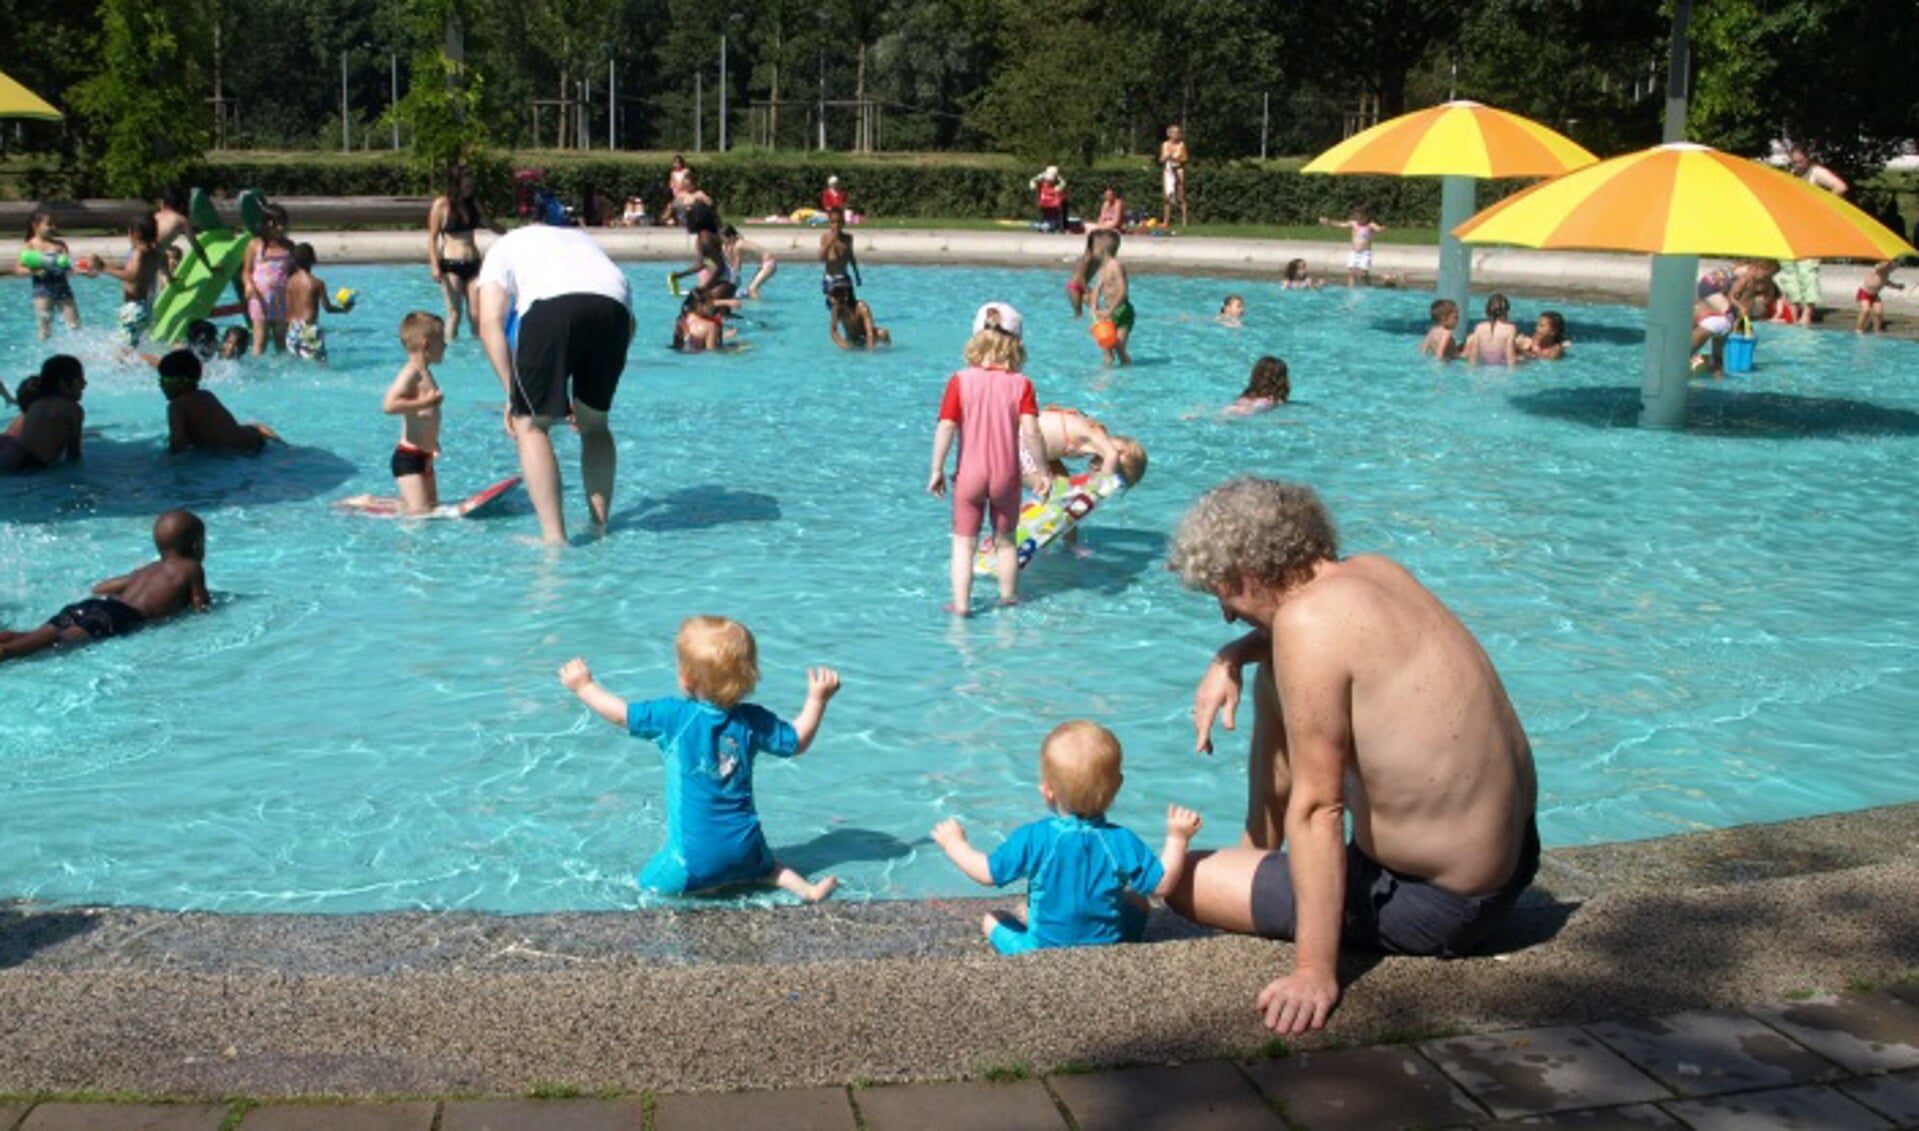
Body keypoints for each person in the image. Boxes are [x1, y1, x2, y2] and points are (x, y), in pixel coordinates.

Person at [1164, 477, 1539, 1034]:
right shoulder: (1374, 571)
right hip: (1509, 867)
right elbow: (1321, 648)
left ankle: (1263, 874)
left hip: (1437, 905)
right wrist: (1234, 655)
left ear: (1246, 574)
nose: (1225, 613)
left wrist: (1315, 971)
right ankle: (1259, 850)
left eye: (1223, 592)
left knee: (1183, 881)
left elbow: (1320, 810)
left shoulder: (1306, 623)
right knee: (1275, 669)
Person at [558, 616, 844, 902]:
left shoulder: (673, 717)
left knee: (643, 885)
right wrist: (817, 700)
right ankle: (807, 890)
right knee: (770, 869)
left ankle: (706, 887)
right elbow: (797, 742)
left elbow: (620, 714)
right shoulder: (753, 720)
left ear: (686, 680)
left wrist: (584, 687)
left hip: (692, 865)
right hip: (748, 852)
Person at [931, 720, 1203, 954]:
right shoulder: (1121, 840)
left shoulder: (1034, 837)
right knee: (1138, 900)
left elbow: (987, 874)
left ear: (1047, 791)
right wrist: (1177, 839)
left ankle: (1032, 920)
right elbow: (1161, 887)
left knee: (993, 919)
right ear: (1118, 786)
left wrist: (955, 844)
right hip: (1111, 945)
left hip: (1040, 951)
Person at [474, 198, 634, 545]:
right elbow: (628, 322)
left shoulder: (503, 247)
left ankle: (554, 540)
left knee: (530, 425)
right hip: (614, 312)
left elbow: (488, 324)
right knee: (595, 424)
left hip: (551, 310)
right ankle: (599, 526)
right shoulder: (582, 241)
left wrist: (512, 395)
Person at [928, 303, 1052, 615]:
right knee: (1007, 542)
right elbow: (1032, 433)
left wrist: (937, 468)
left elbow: (946, 426)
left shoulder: (960, 380)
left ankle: (961, 606)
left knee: (963, 545)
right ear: (1017, 344)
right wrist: (1042, 471)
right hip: (1006, 476)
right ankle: (1009, 598)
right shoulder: (1022, 385)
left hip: (969, 475)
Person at [0, 510, 210, 665]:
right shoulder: (191, 568)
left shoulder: (145, 571)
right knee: (60, 640)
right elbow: (200, 605)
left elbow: (101, 589)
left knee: (41, 633)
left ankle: (8, 638)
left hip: (95, 605)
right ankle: (6, 652)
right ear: (195, 546)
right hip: (121, 616)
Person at [379, 312, 448, 514]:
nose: (445, 345)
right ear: (426, 344)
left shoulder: (426, 372)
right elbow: (389, 405)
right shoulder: (411, 373)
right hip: (408, 458)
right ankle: (366, 504)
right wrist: (425, 402)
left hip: (425, 456)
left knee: (431, 509)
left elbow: (426, 418)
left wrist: (433, 441)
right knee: (419, 516)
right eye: (441, 341)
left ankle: (393, 503)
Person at [1777, 146, 1849, 326]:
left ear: (1808, 159)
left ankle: (1807, 312)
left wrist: (1820, 205)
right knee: (1788, 268)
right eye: (1794, 162)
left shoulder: (1815, 172)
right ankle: (1793, 310)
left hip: (1810, 227)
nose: (1797, 165)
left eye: (1800, 161)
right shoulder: (1793, 174)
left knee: (1807, 270)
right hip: (1792, 226)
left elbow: (1840, 187)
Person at [428, 165, 501, 340]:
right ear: (456, 185)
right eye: (466, 186)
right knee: (455, 314)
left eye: (471, 186)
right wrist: (434, 266)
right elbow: (432, 238)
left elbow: (490, 224)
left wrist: (514, 234)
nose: (470, 189)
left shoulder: (473, 203)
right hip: (451, 265)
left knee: (476, 314)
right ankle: (450, 352)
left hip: (474, 263)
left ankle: (477, 353)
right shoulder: (441, 205)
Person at [159, 350, 282, 455]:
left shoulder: (176, 406)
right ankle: (285, 447)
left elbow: (178, 445)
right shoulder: (207, 395)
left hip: (229, 453)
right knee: (258, 427)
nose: (161, 385)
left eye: (164, 380)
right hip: (250, 442)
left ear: (178, 383)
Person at [15, 207, 97, 340]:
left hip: (63, 288)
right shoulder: (29, 246)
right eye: (49, 224)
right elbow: (18, 270)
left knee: (75, 325)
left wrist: (84, 272)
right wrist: (35, 271)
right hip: (42, 291)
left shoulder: (60, 245)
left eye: (54, 223)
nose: (53, 227)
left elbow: (69, 267)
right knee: (45, 328)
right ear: (36, 225)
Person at [0, 356, 84, 473]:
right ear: (63, 384)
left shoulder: (35, 404)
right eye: (80, 380)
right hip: (31, 464)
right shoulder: (73, 409)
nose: (84, 384)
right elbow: (73, 453)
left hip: (10, 450)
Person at [94, 212, 164, 349]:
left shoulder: (139, 251)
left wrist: (104, 268)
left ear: (136, 233)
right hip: (146, 307)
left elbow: (132, 276)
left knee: (123, 352)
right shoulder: (154, 252)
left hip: (133, 309)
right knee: (133, 349)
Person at [284, 244, 355, 362]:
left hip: (292, 328)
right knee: (320, 364)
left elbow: (287, 309)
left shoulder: (289, 282)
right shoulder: (317, 283)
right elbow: (328, 308)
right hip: (309, 328)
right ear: (313, 260)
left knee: (296, 363)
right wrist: (344, 309)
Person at [242, 203, 296, 355]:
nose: (280, 228)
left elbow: (293, 274)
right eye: (277, 224)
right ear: (267, 224)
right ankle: (257, 374)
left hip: (281, 299)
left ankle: (282, 372)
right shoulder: (255, 245)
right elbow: (246, 271)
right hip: (259, 298)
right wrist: (248, 285)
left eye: (283, 224)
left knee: (281, 339)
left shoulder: (289, 247)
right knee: (260, 339)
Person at [1089, 230, 1133, 366]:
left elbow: (1122, 290)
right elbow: (1097, 289)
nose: (1092, 250)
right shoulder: (1102, 268)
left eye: (1093, 247)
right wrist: (1093, 307)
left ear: (1101, 248)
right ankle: (1107, 375)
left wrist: (1111, 310)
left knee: (1119, 346)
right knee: (1106, 347)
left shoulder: (1116, 266)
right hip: (1108, 311)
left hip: (1122, 311)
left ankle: (1126, 369)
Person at [1690, 267, 1739, 376]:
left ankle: (1712, 367)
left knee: (1684, 352)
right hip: (1724, 322)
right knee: (1717, 358)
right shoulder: (1721, 308)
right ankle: (1716, 370)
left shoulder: (1702, 309)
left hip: (1715, 322)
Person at [1320, 205, 1385, 286]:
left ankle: (1367, 286)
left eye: (1361, 216)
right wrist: (1329, 221)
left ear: (1367, 216)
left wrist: (1381, 229)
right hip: (1354, 252)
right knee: (1351, 273)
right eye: (1357, 216)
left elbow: (1378, 228)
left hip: (1365, 253)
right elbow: (1341, 224)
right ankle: (1351, 289)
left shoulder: (1370, 225)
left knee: (1363, 273)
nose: (1359, 219)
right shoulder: (1353, 223)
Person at [827, 277, 890, 350]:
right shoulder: (836, 309)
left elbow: (870, 332)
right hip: (852, 339)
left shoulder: (861, 307)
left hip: (866, 336)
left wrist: (870, 350)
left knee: (883, 333)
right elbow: (834, 332)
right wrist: (845, 346)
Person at [819, 208, 863, 305]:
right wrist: (830, 244)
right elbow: (821, 258)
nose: (836, 225)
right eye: (833, 222)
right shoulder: (825, 237)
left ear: (843, 223)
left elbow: (851, 257)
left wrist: (857, 275)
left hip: (843, 277)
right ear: (829, 223)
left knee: (850, 304)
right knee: (836, 302)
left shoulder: (848, 238)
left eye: (839, 222)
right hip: (830, 278)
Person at [720, 225, 778, 299]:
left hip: (769, 263)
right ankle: (757, 303)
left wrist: (731, 283)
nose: (723, 242)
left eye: (724, 239)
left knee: (752, 289)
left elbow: (737, 267)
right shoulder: (738, 242)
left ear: (731, 237)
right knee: (751, 289)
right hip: (766, 263)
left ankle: (760, 308)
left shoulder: (738, 246)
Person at [1463, 293, 1519, 368]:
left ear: (1487, 311)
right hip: (1500, 370)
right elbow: (1510, 356)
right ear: (1506, 312)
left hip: (1483, 371)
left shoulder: (1479, 328)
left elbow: (1474, 354)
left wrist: (1471, 369)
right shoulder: (1510, 329)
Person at [1855, 260, 1902, 334]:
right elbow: (1880, 267)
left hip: (1875, 295)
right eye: (1892, 267)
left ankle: (1877, 329)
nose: (1893, 269)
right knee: (1866, 310)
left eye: (1894, 268)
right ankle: (1859, 329)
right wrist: (1888, 262)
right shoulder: (1877, 269)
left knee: (1879, 312)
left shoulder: (1886, 274)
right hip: (1864, 293)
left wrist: (1897, 286)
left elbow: (1887, 283)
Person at [1159, 125, 1190, 228]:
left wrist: (1175, 159)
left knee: (1181, 196)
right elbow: (1161, 159)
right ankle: (1166, 221)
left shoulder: (1181, 145)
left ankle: (1184, 221)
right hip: (1168, 171)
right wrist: (1166, 157)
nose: (1177, 134)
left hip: (1178, 170)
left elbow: (1184, 159)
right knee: (1167, 197)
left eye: (1178, 132)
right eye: (1175, 132)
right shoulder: (1165, 145)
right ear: (1169, 134)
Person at [1031, 166, 1067, 231]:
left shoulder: (1059, 179)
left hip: (1049, 200)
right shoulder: (1041, 177)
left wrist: (1059, 188)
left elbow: (1063, 184)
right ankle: (1059, 226)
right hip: (1048, 201)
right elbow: (1033, 181)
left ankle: (1056, 225)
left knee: (1061, 203)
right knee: (1062, 204)